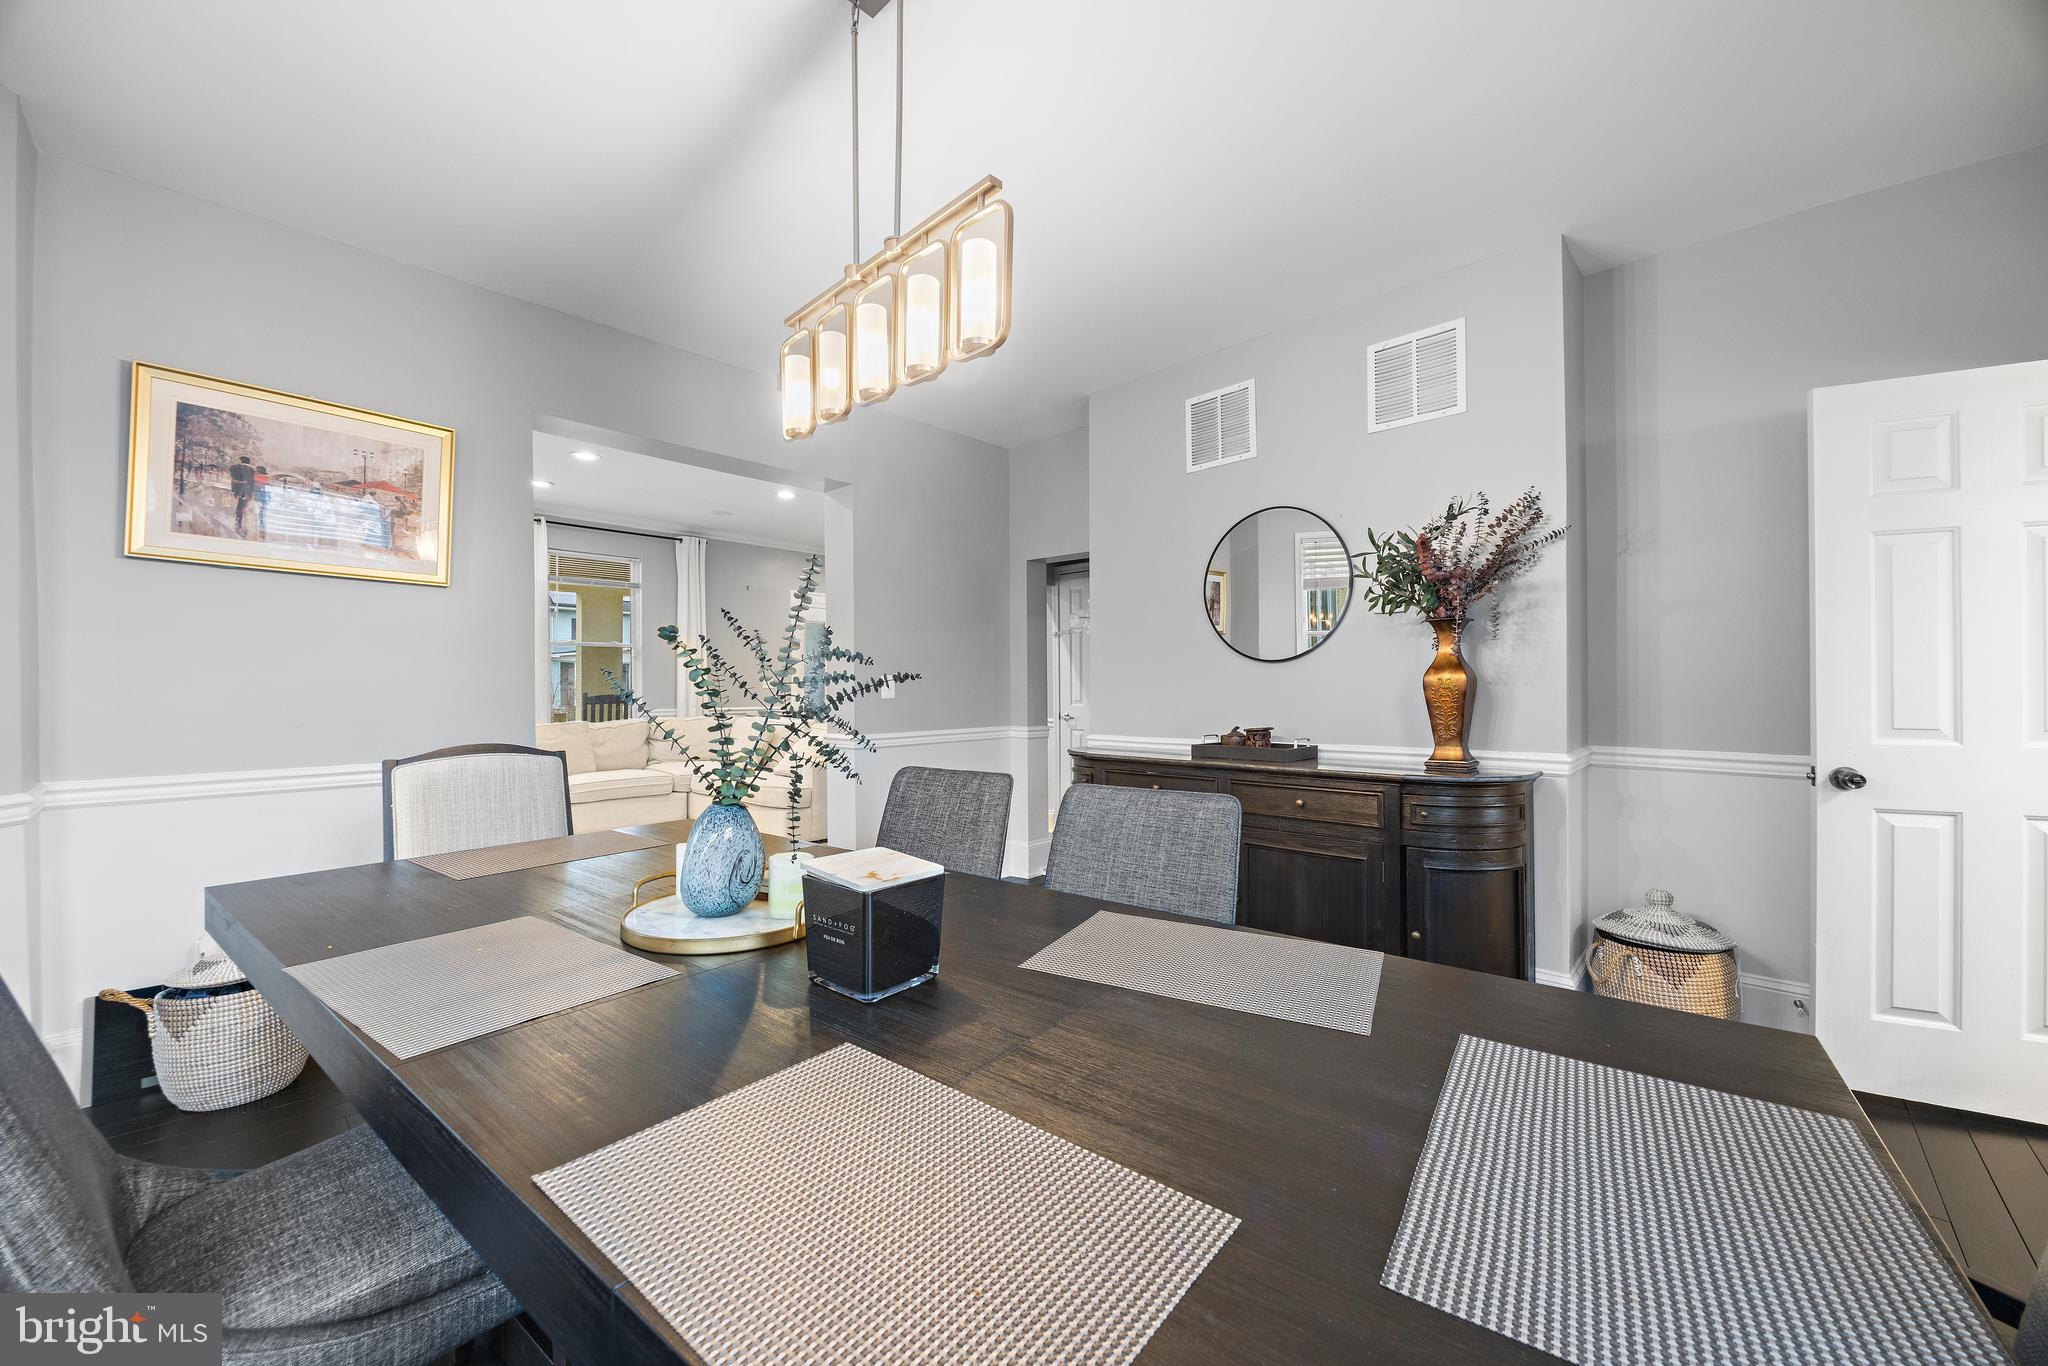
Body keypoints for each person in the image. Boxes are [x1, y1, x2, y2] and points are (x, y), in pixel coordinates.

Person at [229, 455, 256, 536]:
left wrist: (234, 490)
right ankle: (241, 525)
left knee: (240, 507)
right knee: (243, 508)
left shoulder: (235, 468)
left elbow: (233, 476)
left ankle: (238, 523)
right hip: (246, 491)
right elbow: (252, 483)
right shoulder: (251, 470)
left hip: (238, 490)